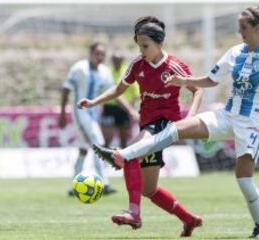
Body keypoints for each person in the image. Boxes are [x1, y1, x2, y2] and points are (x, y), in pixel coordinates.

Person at [90, 3, 259, 238]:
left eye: (243, 28)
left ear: (257, 27)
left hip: (252, 123)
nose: (240, 32)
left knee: (243, 179)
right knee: (178, 128)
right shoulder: (235, 52)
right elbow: (210, 80)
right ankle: (124, 155)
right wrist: (184, 81)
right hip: (226, 116)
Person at [78, 16, 203, 237]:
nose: (142, 50)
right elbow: (118, 90)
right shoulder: (137, 65)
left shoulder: (174, 65)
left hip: (166, 124)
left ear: (159, 43)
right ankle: (189, 219)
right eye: (139, 46)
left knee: (130, 154)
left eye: (145, 46)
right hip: (148, 124)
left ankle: (134, 213)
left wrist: (190, 118)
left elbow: (197, 89)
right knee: (149, 189)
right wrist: (93, 102)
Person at [59, 41, 129, 196]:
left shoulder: (104, 72)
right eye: (97, 53)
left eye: (102, 54)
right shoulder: (79, 68)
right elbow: (66, 89)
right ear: (90, 53)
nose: (100, 57)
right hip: (80, 113)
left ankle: (74, 186)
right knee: (99, 142)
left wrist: (130, 111)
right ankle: (104, 183)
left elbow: (114, 92)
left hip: (93, 115)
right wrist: (62, 113)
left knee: (84, 149)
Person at [101, 52, 139, 148]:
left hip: (124, 109)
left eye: (118, 59)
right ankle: (104, 160)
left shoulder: (128, 72)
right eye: (114, 59)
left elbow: (135, 92)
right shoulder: (107, 72)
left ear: (122, 60)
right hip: (109, 107)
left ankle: (122, 161)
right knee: (107, 138)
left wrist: (132, 108)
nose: (116, 62)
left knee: (123, 138)